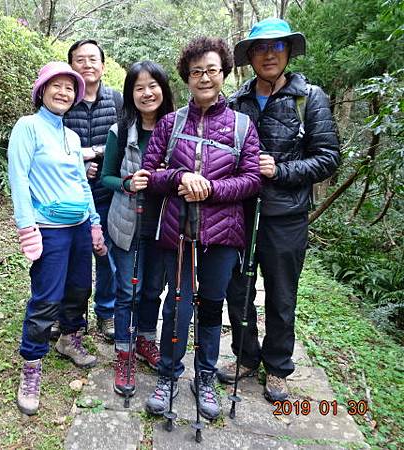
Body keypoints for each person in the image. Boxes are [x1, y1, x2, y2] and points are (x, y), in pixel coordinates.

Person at [217, 18, 340, 403]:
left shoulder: (309, 98)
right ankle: (245, 357)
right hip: (239, 212)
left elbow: (328, 157)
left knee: (281, 294)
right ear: (250, 57)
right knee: (236, 290)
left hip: (285, 216)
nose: (269, 55)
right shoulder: (237, 101)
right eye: (260, 48)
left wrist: (281, 170)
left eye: (277, 47)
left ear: (288, 52)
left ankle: (278, 367)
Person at [141, 37, 261, 420]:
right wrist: (180, 177)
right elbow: (150, 172)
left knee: (211, 308)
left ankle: (205, 377)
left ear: (223, 73)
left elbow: (253, 179)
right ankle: (168, 375)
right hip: (179, 232)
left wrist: (211, 188)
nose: (204, 77)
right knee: (176, 305)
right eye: (196, 72)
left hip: (224, 236)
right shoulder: (170, 123)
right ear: (187, 78)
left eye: (211, 70)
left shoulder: (243, 127)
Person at [8, 61, 108, 415]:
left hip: (80, 225)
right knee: (46, 298)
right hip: (48, 227)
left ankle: (70, 339)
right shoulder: (27, 127)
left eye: (70, 87)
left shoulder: (71, 136)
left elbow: (82, 183)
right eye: (57, 85)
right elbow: (18, 179)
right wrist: (26, 227)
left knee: (80, 288)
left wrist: (95, 222)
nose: (64, 92)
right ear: (42, 90)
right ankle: (31, 366)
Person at [101, 61, 174, 396]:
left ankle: (146, 340)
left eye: (153, 85)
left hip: (164, 225)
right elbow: (106, 176)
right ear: (131, 93)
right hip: (129, 224)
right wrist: (128, 183)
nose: (147, 93)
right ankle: (123, 353)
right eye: (139, 87)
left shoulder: (177, 129)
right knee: (127, 292)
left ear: (164, 88)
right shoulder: (120, 129)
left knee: (152, 290)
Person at [62, 39, 123, 341]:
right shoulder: (62, 98)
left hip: (109, 195)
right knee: (73, 258)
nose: (87, 65)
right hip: (69, 196)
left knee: (108, 257)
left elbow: (126, 142)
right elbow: (48, 147)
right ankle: (69, 317)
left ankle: (106, 314)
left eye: (93, 59)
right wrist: (77, 165)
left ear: (103, 64)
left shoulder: (117, 100)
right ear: (71, 64)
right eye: (79, 59)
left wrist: (95, 153)